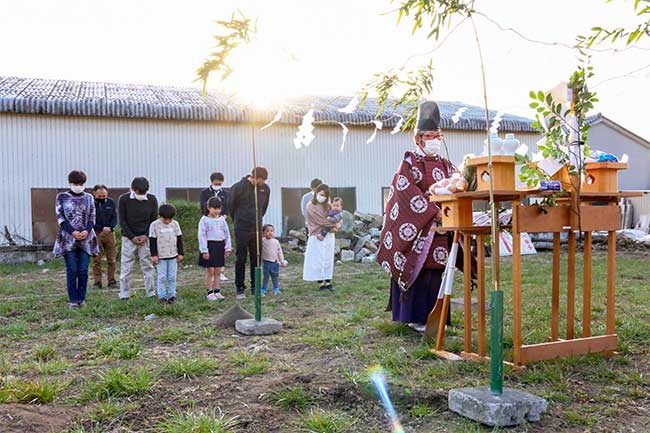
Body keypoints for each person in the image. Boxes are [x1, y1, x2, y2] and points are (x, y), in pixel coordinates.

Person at [376, 101, 475, 332]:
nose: (435, 141)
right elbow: (404, 194)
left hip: (440, 230)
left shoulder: (446, 163)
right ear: (419, 139)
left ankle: (438, 318)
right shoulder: (409, 163)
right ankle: (415, 318)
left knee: (437, 273)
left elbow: (458, 186)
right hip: (417, 230)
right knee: (418, 272)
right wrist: (433, 212)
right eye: (430, 136)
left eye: (438, 136)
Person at [53, 170, 99, 308]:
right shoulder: (61, 197)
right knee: (72, 270)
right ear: (70, 183)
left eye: (80, 183)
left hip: (86, 239)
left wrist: (86, 230)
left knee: (83, 270)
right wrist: (73, 232)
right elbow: (60, 217)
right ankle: (73, 300)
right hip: (68, 239)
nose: (78, 186)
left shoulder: (89, 197)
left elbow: (92, 216)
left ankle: (82, 299)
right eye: (75, 183)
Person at [228, 167, 271, 299]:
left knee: (256, 258)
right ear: (254, 177)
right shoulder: (238, 187)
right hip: (241, 227)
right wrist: (239, 220)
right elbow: (231, 207)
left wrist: (257, 219)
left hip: (256, 227)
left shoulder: (265, 189)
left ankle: (255, 287)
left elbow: (264, 207)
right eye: (261, 180)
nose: (262, 182)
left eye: (264, 180)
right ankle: (240, 288)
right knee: (241, 258)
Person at [118, 177, 158, 300]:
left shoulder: (152, 199)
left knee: (148, 265)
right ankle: (124, 294)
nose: (142, 195)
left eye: (144, 192)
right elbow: (122, 220)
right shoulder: (124, 199)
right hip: (128, 238)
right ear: (133, 189)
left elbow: (153, 220)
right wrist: (132, 237)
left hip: (145, 238)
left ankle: (151, 292)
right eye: (139, 192)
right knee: (127, 266)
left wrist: (146, 235)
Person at [303, 184, 340, 291]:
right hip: (316, 235)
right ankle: (320, 283)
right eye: (321, 194)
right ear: (316, 193)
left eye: (325, 195)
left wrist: (338, 223)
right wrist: (334, 225)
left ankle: (328, 281)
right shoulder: (310, 205)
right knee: (317, 260)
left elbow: (336, 215)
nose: (322, 197)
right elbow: (320, 221)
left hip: (328, 235)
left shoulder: (327, 205)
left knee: (328, 259)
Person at [149, 203, 184, 304]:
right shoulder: (154, 225)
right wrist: (154, 255)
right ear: (160, 216)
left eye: (170, 219)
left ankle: (172, 295)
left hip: (173, 255)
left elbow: (179, 239)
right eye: (165, 219)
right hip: (161, 257)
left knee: (172, 276)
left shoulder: (175, 224)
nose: (168, 221)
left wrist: (180, 253)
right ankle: (162, 296)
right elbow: (152, 240)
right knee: (162, 277)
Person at [199, 197, 232, 301]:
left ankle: (217, 291)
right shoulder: (204, 220)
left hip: (220, 246)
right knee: (210, 270)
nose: (217, 211)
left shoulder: (222, 220)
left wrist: (228, 247)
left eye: (219, 208)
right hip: (209, 246)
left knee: (218, 270)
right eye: (214, 208)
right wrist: (204, 250)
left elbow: (227, 234)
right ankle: (209, 292)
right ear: (208, 208)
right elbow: (201, 235)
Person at [199, 172, 229, 282]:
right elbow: (202, 205)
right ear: (211, 182)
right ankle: (210, 272)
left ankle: (220, 272)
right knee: (211, 246)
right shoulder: (205, 192)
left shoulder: (224, 193)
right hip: (209, 219)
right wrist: (209, 215)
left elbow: (227, 205)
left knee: (220, 246)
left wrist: (224, 215)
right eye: (216, 183)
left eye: (220, 183)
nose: (218, 185)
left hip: (220, 220)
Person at [91, 185, 117, 289]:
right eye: (99, 196)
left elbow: (115, 217)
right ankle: (97, 282)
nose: (102, 198)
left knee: (112, 259)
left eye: (104, 196)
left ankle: (112, 281)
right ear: (94, 194)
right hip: (96, 233)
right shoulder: (91, 203)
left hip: (109, 233)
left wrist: (110, 227)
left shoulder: (110, 202)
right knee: (96, 259)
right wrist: (100, 228)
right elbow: (90, 219)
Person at [261, 224, 288, 296]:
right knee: (266, 277)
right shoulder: (262, 241)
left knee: (275, 277)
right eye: (267, 231)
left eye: (272, 231)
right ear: (263, 233)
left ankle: (276, 289)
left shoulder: (276, 241)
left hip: (275, 262)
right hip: (266, 262)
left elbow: (279, 251)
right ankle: (263, 290)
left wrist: (282, 260)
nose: (270, 232)